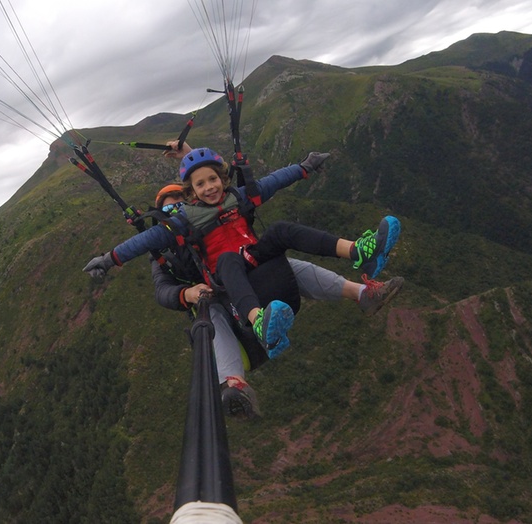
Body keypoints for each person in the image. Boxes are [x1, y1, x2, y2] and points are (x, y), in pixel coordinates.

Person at [84, 147, 402, 364]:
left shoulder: (236, 197)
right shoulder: (181, 224)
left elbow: (272, 181)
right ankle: (258, 322)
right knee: (227, 260)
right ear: (191, 193)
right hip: (229, 277)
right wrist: (110, 259)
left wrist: (304, 168)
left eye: (213, 180)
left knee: (280, 230)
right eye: (200, 184)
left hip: (255, 259)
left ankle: (360, 251)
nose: (209, 187)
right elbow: (146, 242)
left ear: (220, 181)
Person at [152, 183, 403, 418]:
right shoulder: (165, 255)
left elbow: (210, 183)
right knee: (209, 312)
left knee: (286, 265)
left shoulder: (205, 223)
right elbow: (162, 290)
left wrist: (189, 156)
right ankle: (234, 385)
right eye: (168, 208)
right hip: (225, 309)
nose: (175, 211)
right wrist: (187, 293)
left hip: (247, 283)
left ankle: (363, 294)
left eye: (180, 204)